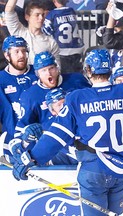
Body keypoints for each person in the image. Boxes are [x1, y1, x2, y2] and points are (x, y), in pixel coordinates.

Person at [9, 49, 123, 216]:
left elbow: (57, 136)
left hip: (93, 171)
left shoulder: (77, 98)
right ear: (110, 69)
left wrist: (30, 158)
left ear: (88, 71)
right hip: (122, 173)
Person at [13, 51, 91, 144]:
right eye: (43, 70)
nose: (49, 73)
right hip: (53, 146)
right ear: (38, 74)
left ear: (57, 68)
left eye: (51, 68)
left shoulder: (77, 80)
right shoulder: (30, 96)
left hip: (82, 139)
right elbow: (21, 128)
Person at [0, 35, 38, 163]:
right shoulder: (1, 80)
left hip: (41, 141)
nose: (21, 55)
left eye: (23, 51)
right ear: (7, 55)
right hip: (12, 143)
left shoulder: (39, 72)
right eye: (16, 51)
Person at [5, 0, 60, 65]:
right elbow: (9, 11)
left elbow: (57, 68)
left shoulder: (51, 42)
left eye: (43, 15)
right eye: (37, 15)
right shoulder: (18, 32)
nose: (41, 18)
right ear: (27, 17)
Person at [42, 0, 85, 73]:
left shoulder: (52, 14)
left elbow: (46, 31)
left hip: (62, 51)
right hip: (77, 49)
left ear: (54, 1)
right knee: (76, 74)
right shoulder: (71, 11)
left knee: (65, 76)